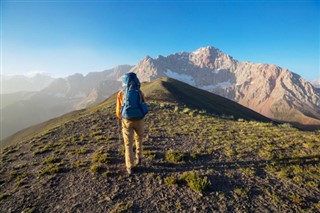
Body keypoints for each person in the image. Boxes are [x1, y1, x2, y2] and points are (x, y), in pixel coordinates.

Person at [116, 73, 148, 175]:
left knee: (128, 144)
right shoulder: (140, 92)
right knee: (139, 138)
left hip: (127, 121)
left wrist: (123, 117)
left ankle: (130, 166)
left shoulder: (121, 93)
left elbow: (118, 111)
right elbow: (143, 104)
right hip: (139, 119)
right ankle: (139, 157)